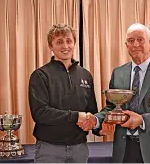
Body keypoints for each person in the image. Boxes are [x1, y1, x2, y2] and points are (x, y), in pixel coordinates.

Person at [78, 23, 150, 163]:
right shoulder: (118, 73)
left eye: (140, 39)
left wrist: (142, 120)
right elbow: (112, 108)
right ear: (126, 46)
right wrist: (96, 120)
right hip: (125, 149)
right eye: (131, 41)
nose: (135, 44)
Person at [28, 23, 98, 163]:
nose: (65, 46)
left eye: (69, 41)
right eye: (59, 42)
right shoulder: (40, 75)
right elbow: (40, 113)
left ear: (74, 43)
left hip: (80, 149)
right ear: (51, 46)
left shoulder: (85, 75)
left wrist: (97, 125)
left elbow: (91, 111)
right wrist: (76, 116)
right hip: (49, 149)